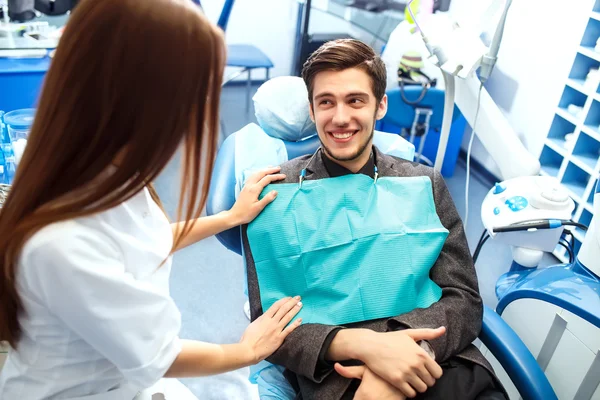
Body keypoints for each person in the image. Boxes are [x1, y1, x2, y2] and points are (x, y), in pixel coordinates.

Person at [0, 0, 303, 399]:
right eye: (193, 96)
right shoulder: (62, 244)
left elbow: (144, 238)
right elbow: (160, 354)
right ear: (141, 101)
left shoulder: (106, 170)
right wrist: (245, 351)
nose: (196, 114)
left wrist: (230, 217)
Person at [241, 39, 508, 400]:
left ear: (380, 105)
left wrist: (407, 351)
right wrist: (361, 348)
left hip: (439, 362)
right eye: (326, 102)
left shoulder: (423, 183)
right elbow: (269, 326)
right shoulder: (273, 194)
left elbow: (463, 298)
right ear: (312, 108)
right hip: (339, 376)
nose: (340, 118)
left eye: (355, 100)